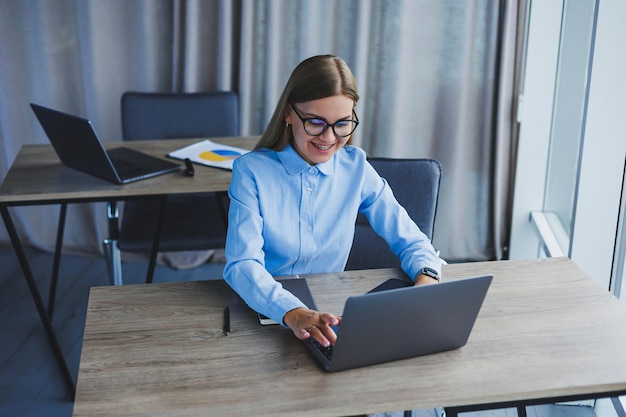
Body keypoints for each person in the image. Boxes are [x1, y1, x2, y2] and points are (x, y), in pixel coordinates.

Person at [223, 54, 442, 349]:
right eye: (315, 122)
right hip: (267, 314)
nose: (329, 137)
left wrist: (427, 279)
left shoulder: (356, 167)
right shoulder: (251, 171)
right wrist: (293, 311)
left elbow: (412, 240)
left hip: (333, 316)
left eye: (342, 123)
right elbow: (242, 264)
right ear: (289, 113)